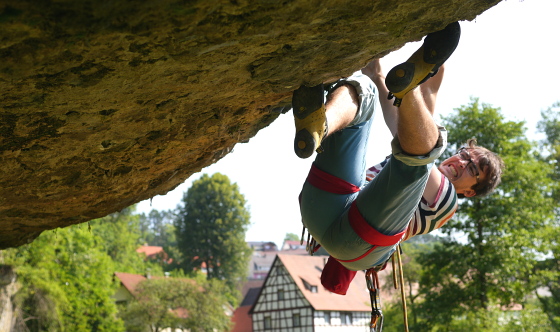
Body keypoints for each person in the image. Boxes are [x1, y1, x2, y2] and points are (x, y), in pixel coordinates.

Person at [292, 22, 505, 295]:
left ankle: (406, 87)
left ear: (470, 192)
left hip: (360, 242)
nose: (461, 162)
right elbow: (425, 108)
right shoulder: (415, 164)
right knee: (365, 91)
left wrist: (392, 82)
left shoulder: (445, 203)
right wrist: (381, 75)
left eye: (472, 168)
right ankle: (318, 126)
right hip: (320, 210)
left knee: (423, 151)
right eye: (464, 155)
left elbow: (416, 139)